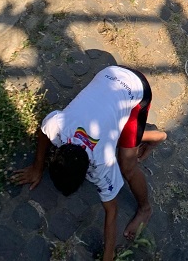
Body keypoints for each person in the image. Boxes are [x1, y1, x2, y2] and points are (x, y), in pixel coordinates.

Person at [13, 66, 167, 258]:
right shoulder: (57, 126)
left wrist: (108, 255)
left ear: (89, 171)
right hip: (109, 74)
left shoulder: (103, 164)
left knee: (127, 165)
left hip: (136, 90)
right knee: (115, 136)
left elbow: (111, 212)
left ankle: (145, 207)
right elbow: (43, 132)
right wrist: (37, 168)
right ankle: (147, 136)